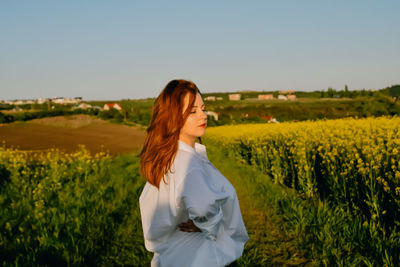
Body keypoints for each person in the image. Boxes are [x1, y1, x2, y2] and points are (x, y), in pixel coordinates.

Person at [139, 79, 249, 267]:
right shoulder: (188, 162)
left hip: (173, 257)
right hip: (204, 258)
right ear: (172, 117)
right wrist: (209, 223)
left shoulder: (167, 158)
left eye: (203, 109)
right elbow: (203, 207)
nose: (203, 116)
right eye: (192, 111)